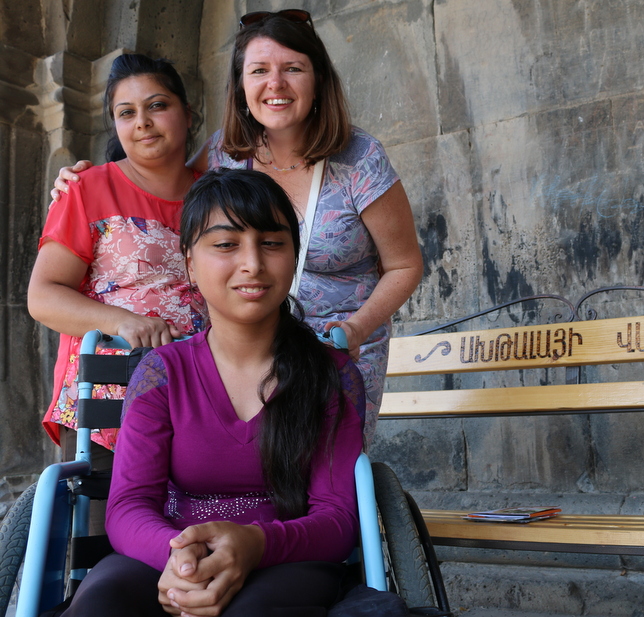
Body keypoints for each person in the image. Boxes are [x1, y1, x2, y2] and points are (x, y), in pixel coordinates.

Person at [52, 10, 424, 446]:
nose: (276, 84)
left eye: (293, 69)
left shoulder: (359, 159)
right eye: (260, 70)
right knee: (244, 469)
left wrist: (357, 329)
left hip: (338, 347)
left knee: (324, 467)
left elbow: (404, 266)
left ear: (319, 78)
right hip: (249, 348)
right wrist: (83, 182)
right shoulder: (227, 151)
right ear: (242, 85)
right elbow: (165, 189)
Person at [54, 168, 365, 617]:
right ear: (190, 265)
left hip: (288, 558)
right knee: (99, 604)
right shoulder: (161, 373)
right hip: (168, 554)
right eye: (225, 244)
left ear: (294, 257)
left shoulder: (330, 375)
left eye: (272, 243)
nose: (253, 264)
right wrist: (181, 559)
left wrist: (255, 545)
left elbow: (336, 518)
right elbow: (129, 505)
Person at [29, 53, 206, 458]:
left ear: (188, 114)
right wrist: (125, 322)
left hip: (204, 396)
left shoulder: (217, 195)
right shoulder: (87, 189)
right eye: (126, 112)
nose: (142, 121)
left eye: (158, 105)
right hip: (109, 402)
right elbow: (42, 296)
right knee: (104, 520)